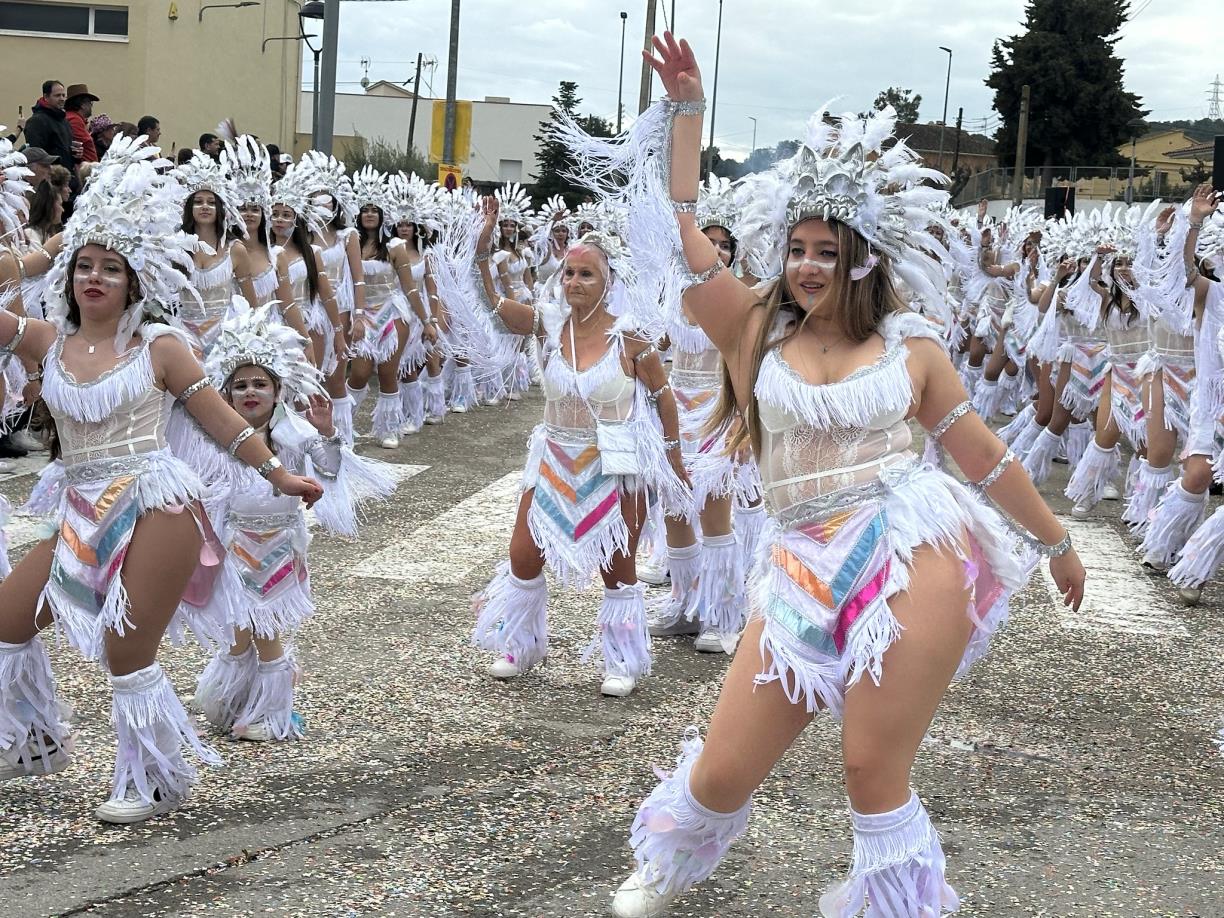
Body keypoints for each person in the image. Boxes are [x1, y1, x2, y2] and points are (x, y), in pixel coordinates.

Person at [600, 33, 1084, 917]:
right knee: (725, 764)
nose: (808, 266)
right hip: (796, 556)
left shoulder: (912, 346)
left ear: (863, 256)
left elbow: (981, 453)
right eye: (798, 249)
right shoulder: (754, 327)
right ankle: (669, 865)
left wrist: (1055, 542)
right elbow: (681, 233)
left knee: (871, 764)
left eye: (828, 250)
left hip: (909, 541)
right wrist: (688, 114)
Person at [0, 137, 322, 823]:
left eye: (110, 270)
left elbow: (221, 421)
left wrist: (278, 472)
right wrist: (39, 249)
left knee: (127, 650)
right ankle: (30, 740)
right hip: (80, 508)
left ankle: (150, 778)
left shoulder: (160, 347)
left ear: (134, 283)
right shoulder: (45, 341)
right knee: (8, 617)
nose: (93, 278)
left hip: (157, 506)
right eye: (84, 266)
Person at [466, 196, 691, 698]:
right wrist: (483, 251)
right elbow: (489, 303)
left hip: (614, 464)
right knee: (524, 555)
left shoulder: (630, 339)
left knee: (619, 566)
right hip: (552, 458)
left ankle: (623, 657)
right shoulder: (547, 325)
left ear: (608, 281)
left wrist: (673, 459)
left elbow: (663, 400)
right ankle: (520, 644)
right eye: (568, 273)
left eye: (586, 275)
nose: (573, 283)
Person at [192, 298, 395, 741]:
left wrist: (325, 431)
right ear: (224, 394)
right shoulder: (214, 439)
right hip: (232, 545)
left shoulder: (292, 432)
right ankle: (235, 702)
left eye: (260, 384)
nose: (250, 392)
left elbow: (328, 469)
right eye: (240, 384)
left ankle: (273, 713)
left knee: (267, 631)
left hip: (280, 546)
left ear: (277, 390)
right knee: (238, 631)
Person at [24, 81, 73, 172]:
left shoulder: (64, 120)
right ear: (46, 97)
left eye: (63, 95)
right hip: (51, 178)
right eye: (57, 95)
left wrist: (75, 154)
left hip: (66, 176)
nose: (62, 98)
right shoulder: (37, 122)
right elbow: (36, 156)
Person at [63, 83, 99, 164]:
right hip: (85, 169)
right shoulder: (74, 120)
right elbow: (84, 145)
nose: (91, 106)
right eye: (90, 103)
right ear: (82, 105)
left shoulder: (74, 118)